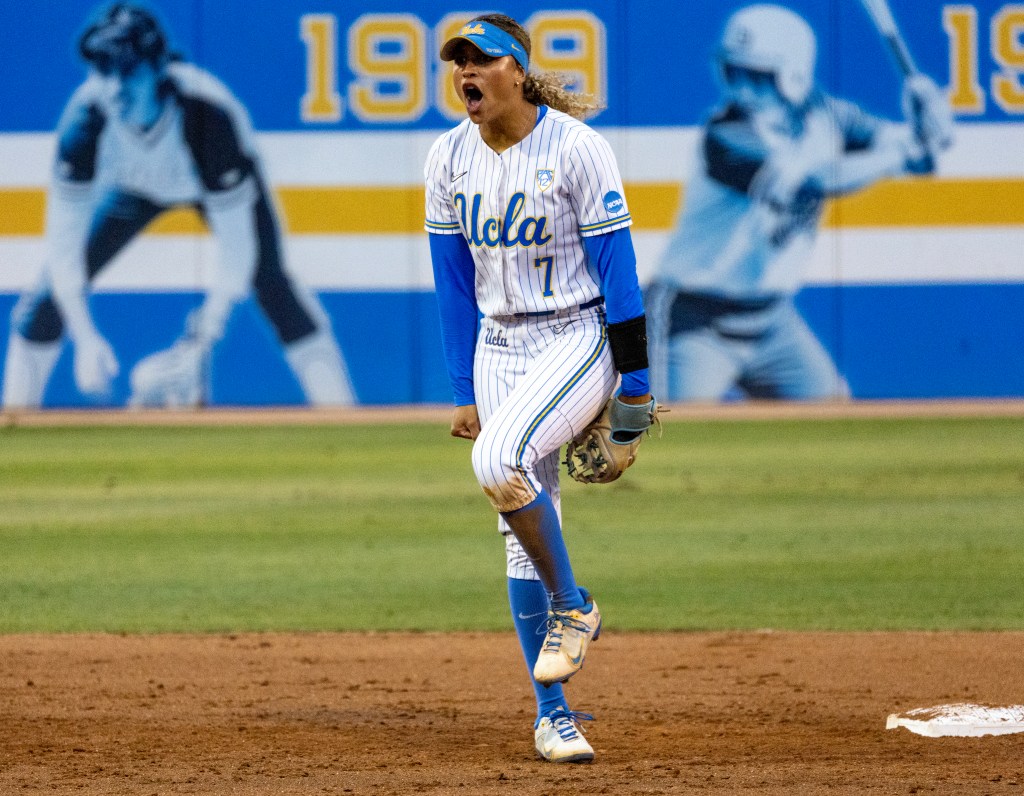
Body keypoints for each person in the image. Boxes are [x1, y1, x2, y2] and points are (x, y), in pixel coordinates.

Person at [424, 14, 657, 764]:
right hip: (498, 345)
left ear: (518, 71)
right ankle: (554, 716)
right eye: (458, 61)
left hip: (575, 334)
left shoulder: (579, 150)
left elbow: (620, 275)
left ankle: (574, 605)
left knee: (497, 463)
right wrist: (464, 384)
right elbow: (453, 285)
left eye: (482, 60)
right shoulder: (447, 157)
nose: (467, 71)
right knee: (520, 526)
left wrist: (636, 389)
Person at [1, 2, 355, 409]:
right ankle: (12, 426)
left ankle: (342, 416)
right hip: (130, 191)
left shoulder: (207, 117)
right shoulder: (85, 120)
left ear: (157, 68)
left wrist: (203, 337)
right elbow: (62, 249)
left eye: (128, 71)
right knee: (45, 301)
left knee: (273, 286)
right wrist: (84, 340)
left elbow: (238, 246)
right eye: (103, 70)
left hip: (207, 185)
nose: (114, 87)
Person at [646, 3, 954, 402]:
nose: (741, 88)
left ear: (794, 76)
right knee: (667, 435)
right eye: (733, 72)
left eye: (757, 76)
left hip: (772, 320)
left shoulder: (830, 116)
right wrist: (907, 151)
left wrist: (927, 118)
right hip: (695, 320)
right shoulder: (726, 134)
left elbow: (917, 156)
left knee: (840, 424)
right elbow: (817, 181)